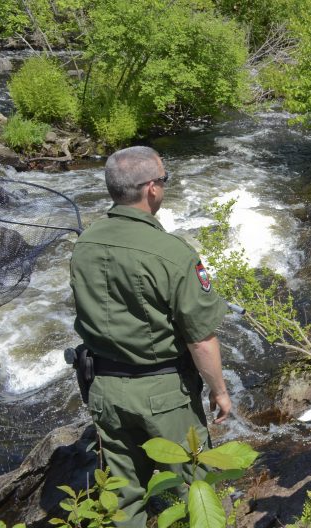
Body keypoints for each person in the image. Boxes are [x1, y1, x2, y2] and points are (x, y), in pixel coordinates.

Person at [69, 146, 231, 527]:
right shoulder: (173, 254)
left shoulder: (84, 245)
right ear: (151, 190)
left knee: (123, 498)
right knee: (193, 490)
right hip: (164, 396)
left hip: (104, 390)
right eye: (164, 179)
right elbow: (200, 339)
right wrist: (219, 391)